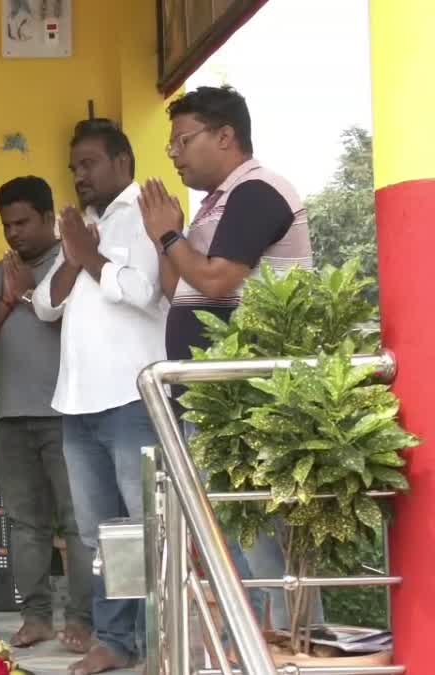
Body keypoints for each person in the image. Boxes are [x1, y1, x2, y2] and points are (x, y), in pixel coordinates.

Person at [138, 84, 318, 630]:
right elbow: (179, 289)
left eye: (182, 141)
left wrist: (170, 233)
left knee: (264, 545)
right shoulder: (213, 206)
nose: (173, 154)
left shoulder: (258, 193)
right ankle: (253, 648)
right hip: (212, 401)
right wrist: (162, 237)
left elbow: (217, 283)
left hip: (250, 401)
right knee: (228, 541)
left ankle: (290, 649)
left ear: (225, 136)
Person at [27, 120, 165, 674]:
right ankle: (115, 640)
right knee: (101, 534)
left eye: (89, 163)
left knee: (144, 528)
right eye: (74, 167)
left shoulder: (142, 215)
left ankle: (159, 640)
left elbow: (141, 291)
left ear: (123, 162)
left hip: (131, 399)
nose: (78, 175)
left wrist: (87, 255)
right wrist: (77, 251)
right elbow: (43, 304)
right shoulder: (85, 224)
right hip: (78, 403)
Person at [0, 176, 92, 651]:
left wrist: (27, 294)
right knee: (24, 525)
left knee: (77, 523)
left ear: (48, 218)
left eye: (23, 222)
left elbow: (71, 318)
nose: (14, 233)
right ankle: (36, 616)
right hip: (12, 419)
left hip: (69, 415)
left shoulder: (76, 265)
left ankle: (82, 620)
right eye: (7, 225)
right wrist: (6, 298)